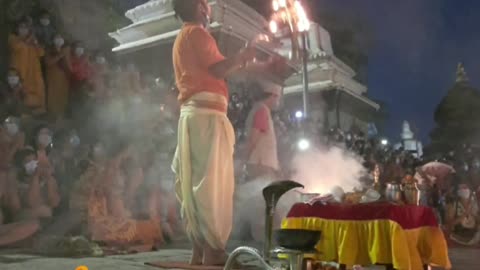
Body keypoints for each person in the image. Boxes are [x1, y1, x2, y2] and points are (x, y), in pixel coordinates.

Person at [171, 0, 276, 265]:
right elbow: (218, 69)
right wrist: (244, 55)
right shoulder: (197, 33)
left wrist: (247, 59)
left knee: (196, 185)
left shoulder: (184, 37)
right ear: (199, 8)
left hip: (194, 116)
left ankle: (200, 249)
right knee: (212, 185)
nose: (208, 8)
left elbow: (220, 68)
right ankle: (214, 250)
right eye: (205, 4)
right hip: (206, 117)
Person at [244, 81, 282, 180]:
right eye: (278, 97)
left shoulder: (262, 110)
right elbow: (254, 138)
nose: (278, 101)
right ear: (272, 96)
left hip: (263, 163)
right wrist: (245, 159)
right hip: (261, 164)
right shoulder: (262, 110)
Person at [8, 19, 46, 114]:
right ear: (17, 29)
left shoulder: (33, 40)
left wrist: (35, 43)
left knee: (38, 91)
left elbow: (41, 53)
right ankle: (18, 113)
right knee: (19, 92)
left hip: (33, 73)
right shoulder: (13, 38)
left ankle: (37, 110)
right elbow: (17, 47)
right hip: (19, 72)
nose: (24, 30)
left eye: (26, 28)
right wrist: (28, 40)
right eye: (21, 27)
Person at [45, 34, 71, 119]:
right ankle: (52, 116)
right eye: (56, 38)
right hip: (52, 79)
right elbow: (48, 63)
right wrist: (60, 55)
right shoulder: (49, 50)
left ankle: (61, 117)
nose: (59, 40)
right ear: (53, 40)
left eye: (61, 38)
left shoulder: (66, 51)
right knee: (52, 98)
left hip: (64, 79)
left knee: (63, 99)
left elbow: (70, 67)